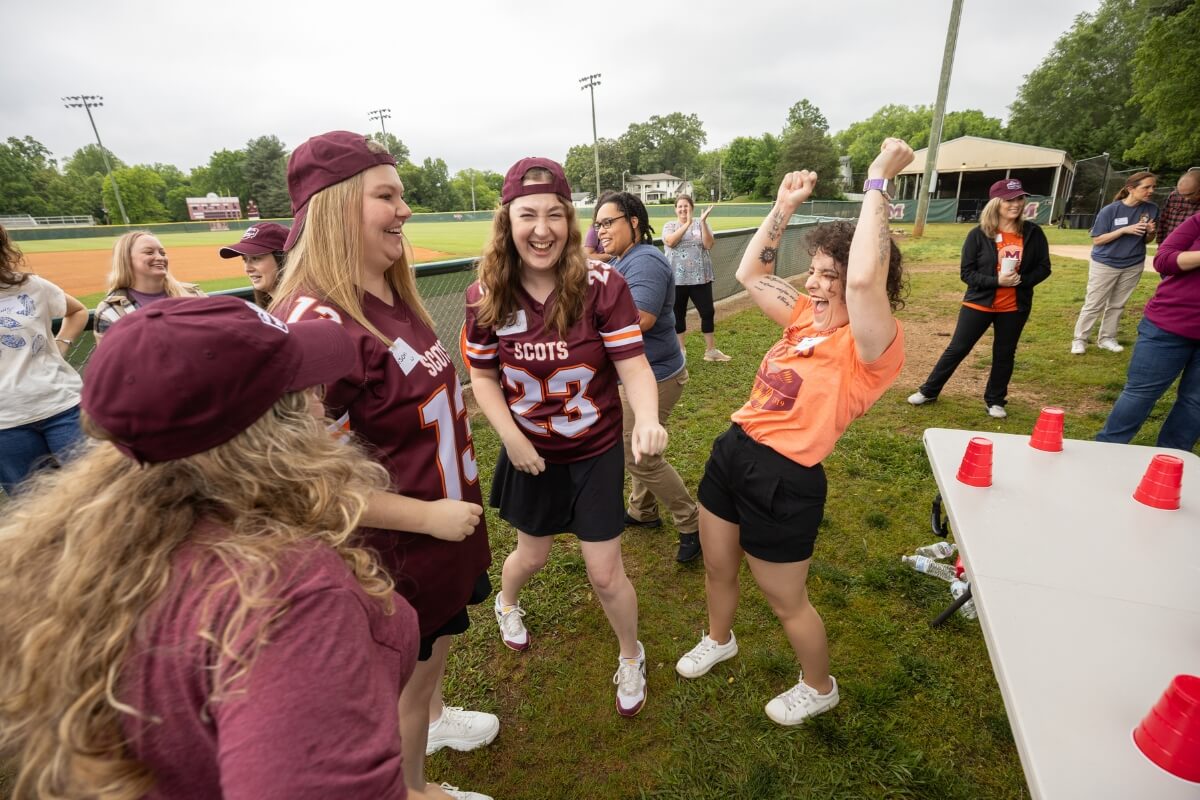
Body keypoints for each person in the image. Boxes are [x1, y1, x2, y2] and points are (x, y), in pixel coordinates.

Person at [0, 296, 428, 799]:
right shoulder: (286, 596)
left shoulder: (99, 545)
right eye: (304, 388)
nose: (321, 398)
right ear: (271, 429)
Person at [271, 131, 493, 800]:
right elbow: (304, 487)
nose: (404, 210)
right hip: (398, 557)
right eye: (386, 196)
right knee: (400, 688)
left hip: (440, 541)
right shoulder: (316, 326)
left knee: (426, 671)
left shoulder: (386, 296)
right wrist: (426, 514)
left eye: (402, 196)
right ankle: (415, 791)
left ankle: (434, 718)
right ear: (336, 207)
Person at [674, 139, 911, 726]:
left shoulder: (871, 346)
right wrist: (781, 206)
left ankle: (819, 684)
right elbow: (750, 270)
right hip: (733, 453)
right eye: (815, 271)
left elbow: (862, 286)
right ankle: (720, 638)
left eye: (831, 275)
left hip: (786, 478)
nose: (817, 284)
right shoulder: (804, 315)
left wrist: (877, 178)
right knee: (717, 565)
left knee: (786, 600)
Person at [463, 157, 668, 717]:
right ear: (506, 220)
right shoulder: (486, 292)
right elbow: (481, 376)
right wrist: (512, 439)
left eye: (556, 213)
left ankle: (631, 654)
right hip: (530, 452)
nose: (543, 228)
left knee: (605, 572)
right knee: (530, 556)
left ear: (570, 222)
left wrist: (647, 417)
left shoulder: (601, 284)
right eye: (527, 214)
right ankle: (507, 604)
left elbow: (632, 365)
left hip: (593, 448)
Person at [594, 191, 702, 562]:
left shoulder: (647, 262)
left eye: (609, 222)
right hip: (643, 374)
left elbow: (641, 319)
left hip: (655, 376)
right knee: (641, 446)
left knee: (638, 457)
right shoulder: (623, 259)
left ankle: (692, 523)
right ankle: (642, 511)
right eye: (598, 225)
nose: (601, 231)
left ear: (634, 221)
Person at [906, 178, 1053, 418]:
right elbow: (967, 273)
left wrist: (1022, 280)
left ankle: (995, 400)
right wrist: (996, 281)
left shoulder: (1034, 233)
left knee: (1004, 353)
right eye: (1008, 200)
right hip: (979, 303)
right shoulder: (978, 234)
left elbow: (1044, 267)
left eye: (1019, 198)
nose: (1015, 204)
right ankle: (929, 390)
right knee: (958, 348)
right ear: (996, 203)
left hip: (1014, 306)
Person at [1096, 210, 1200, 452]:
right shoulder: (1197, 221)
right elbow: (1163, 260)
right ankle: (1106, 452)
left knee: (1195, 402)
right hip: (1168, 326)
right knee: (1141, 394)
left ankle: (1171, 460)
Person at [0, 224, 87, 495]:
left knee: (99, 497)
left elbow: (78, 311)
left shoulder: (30, 286)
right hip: (6, 425)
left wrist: (61, 345)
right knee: (36, 513)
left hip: (62, 406)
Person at [1070, 171, 1158, 355]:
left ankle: (1107, 338)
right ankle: (1080, 340)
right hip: (1105, 263)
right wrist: (1124, 230)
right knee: (1094, 304)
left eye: (1153, 187)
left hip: (1133, 264)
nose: (1151, 191)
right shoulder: (1110, 210)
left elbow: (1146, 240)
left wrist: (1150, 232)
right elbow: (1097, 240)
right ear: (1131, 189)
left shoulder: (1151, 209)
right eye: (1146, 187)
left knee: (1118, 304)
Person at [93, 231, 206, 341]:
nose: (160, 258)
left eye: (162, 253)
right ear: (126, 260)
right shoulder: (110, 310)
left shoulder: (193, 294)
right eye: (149, 252)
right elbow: (110, 358)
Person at [663, 194, 729, 362]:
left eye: (686, 206)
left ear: (692, 207)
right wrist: (687, 224)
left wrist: (704, 222)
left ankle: (711, 350)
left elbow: (708, 245)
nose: (683, 209)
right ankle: (680, 351)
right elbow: (670, 242)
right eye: (680, 206)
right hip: (678, 279)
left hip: (700, 278)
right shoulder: (670, 226)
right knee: (678, 314)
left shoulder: (702, 225)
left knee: (707, 312)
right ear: (675, 209)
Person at [218, 221, 290, 307]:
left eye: (255, 258)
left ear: (284, 258)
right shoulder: (276, 307)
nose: (248, 269)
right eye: (245, 259)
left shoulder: (299, 310)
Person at [1157, 169, 1200, 244]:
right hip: (1172, 245)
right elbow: (1164, 221)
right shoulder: (1174, 196)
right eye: (1181, 194)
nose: (1185, 199)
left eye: (1189, 194)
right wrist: (1161, 244)